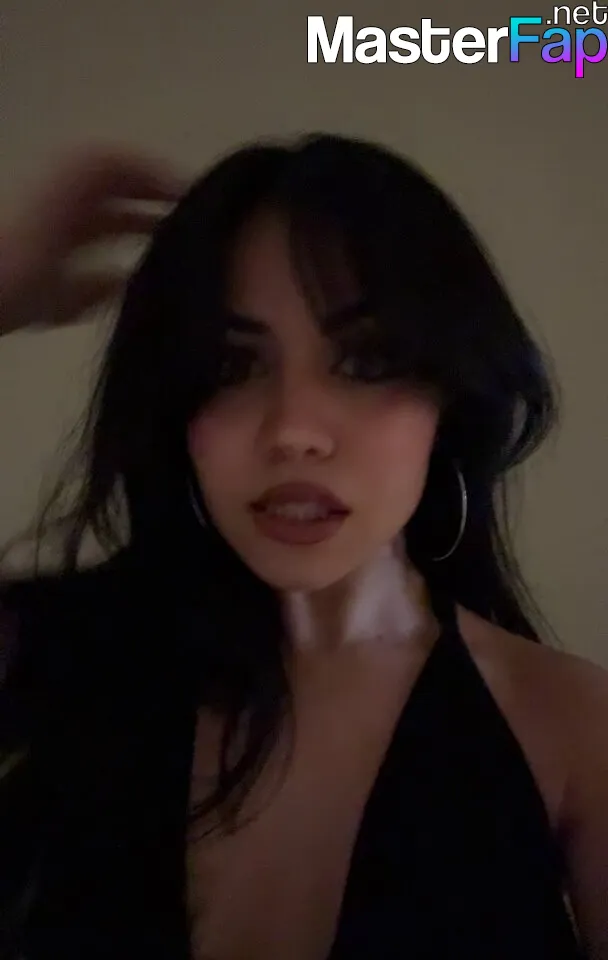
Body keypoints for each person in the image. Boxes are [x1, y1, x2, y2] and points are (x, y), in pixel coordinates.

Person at [0, 134, 606, 960]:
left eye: (366, 360)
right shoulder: (51, 656)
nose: (292, 431)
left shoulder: (571, 730)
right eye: (232, 364)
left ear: (450, 397)